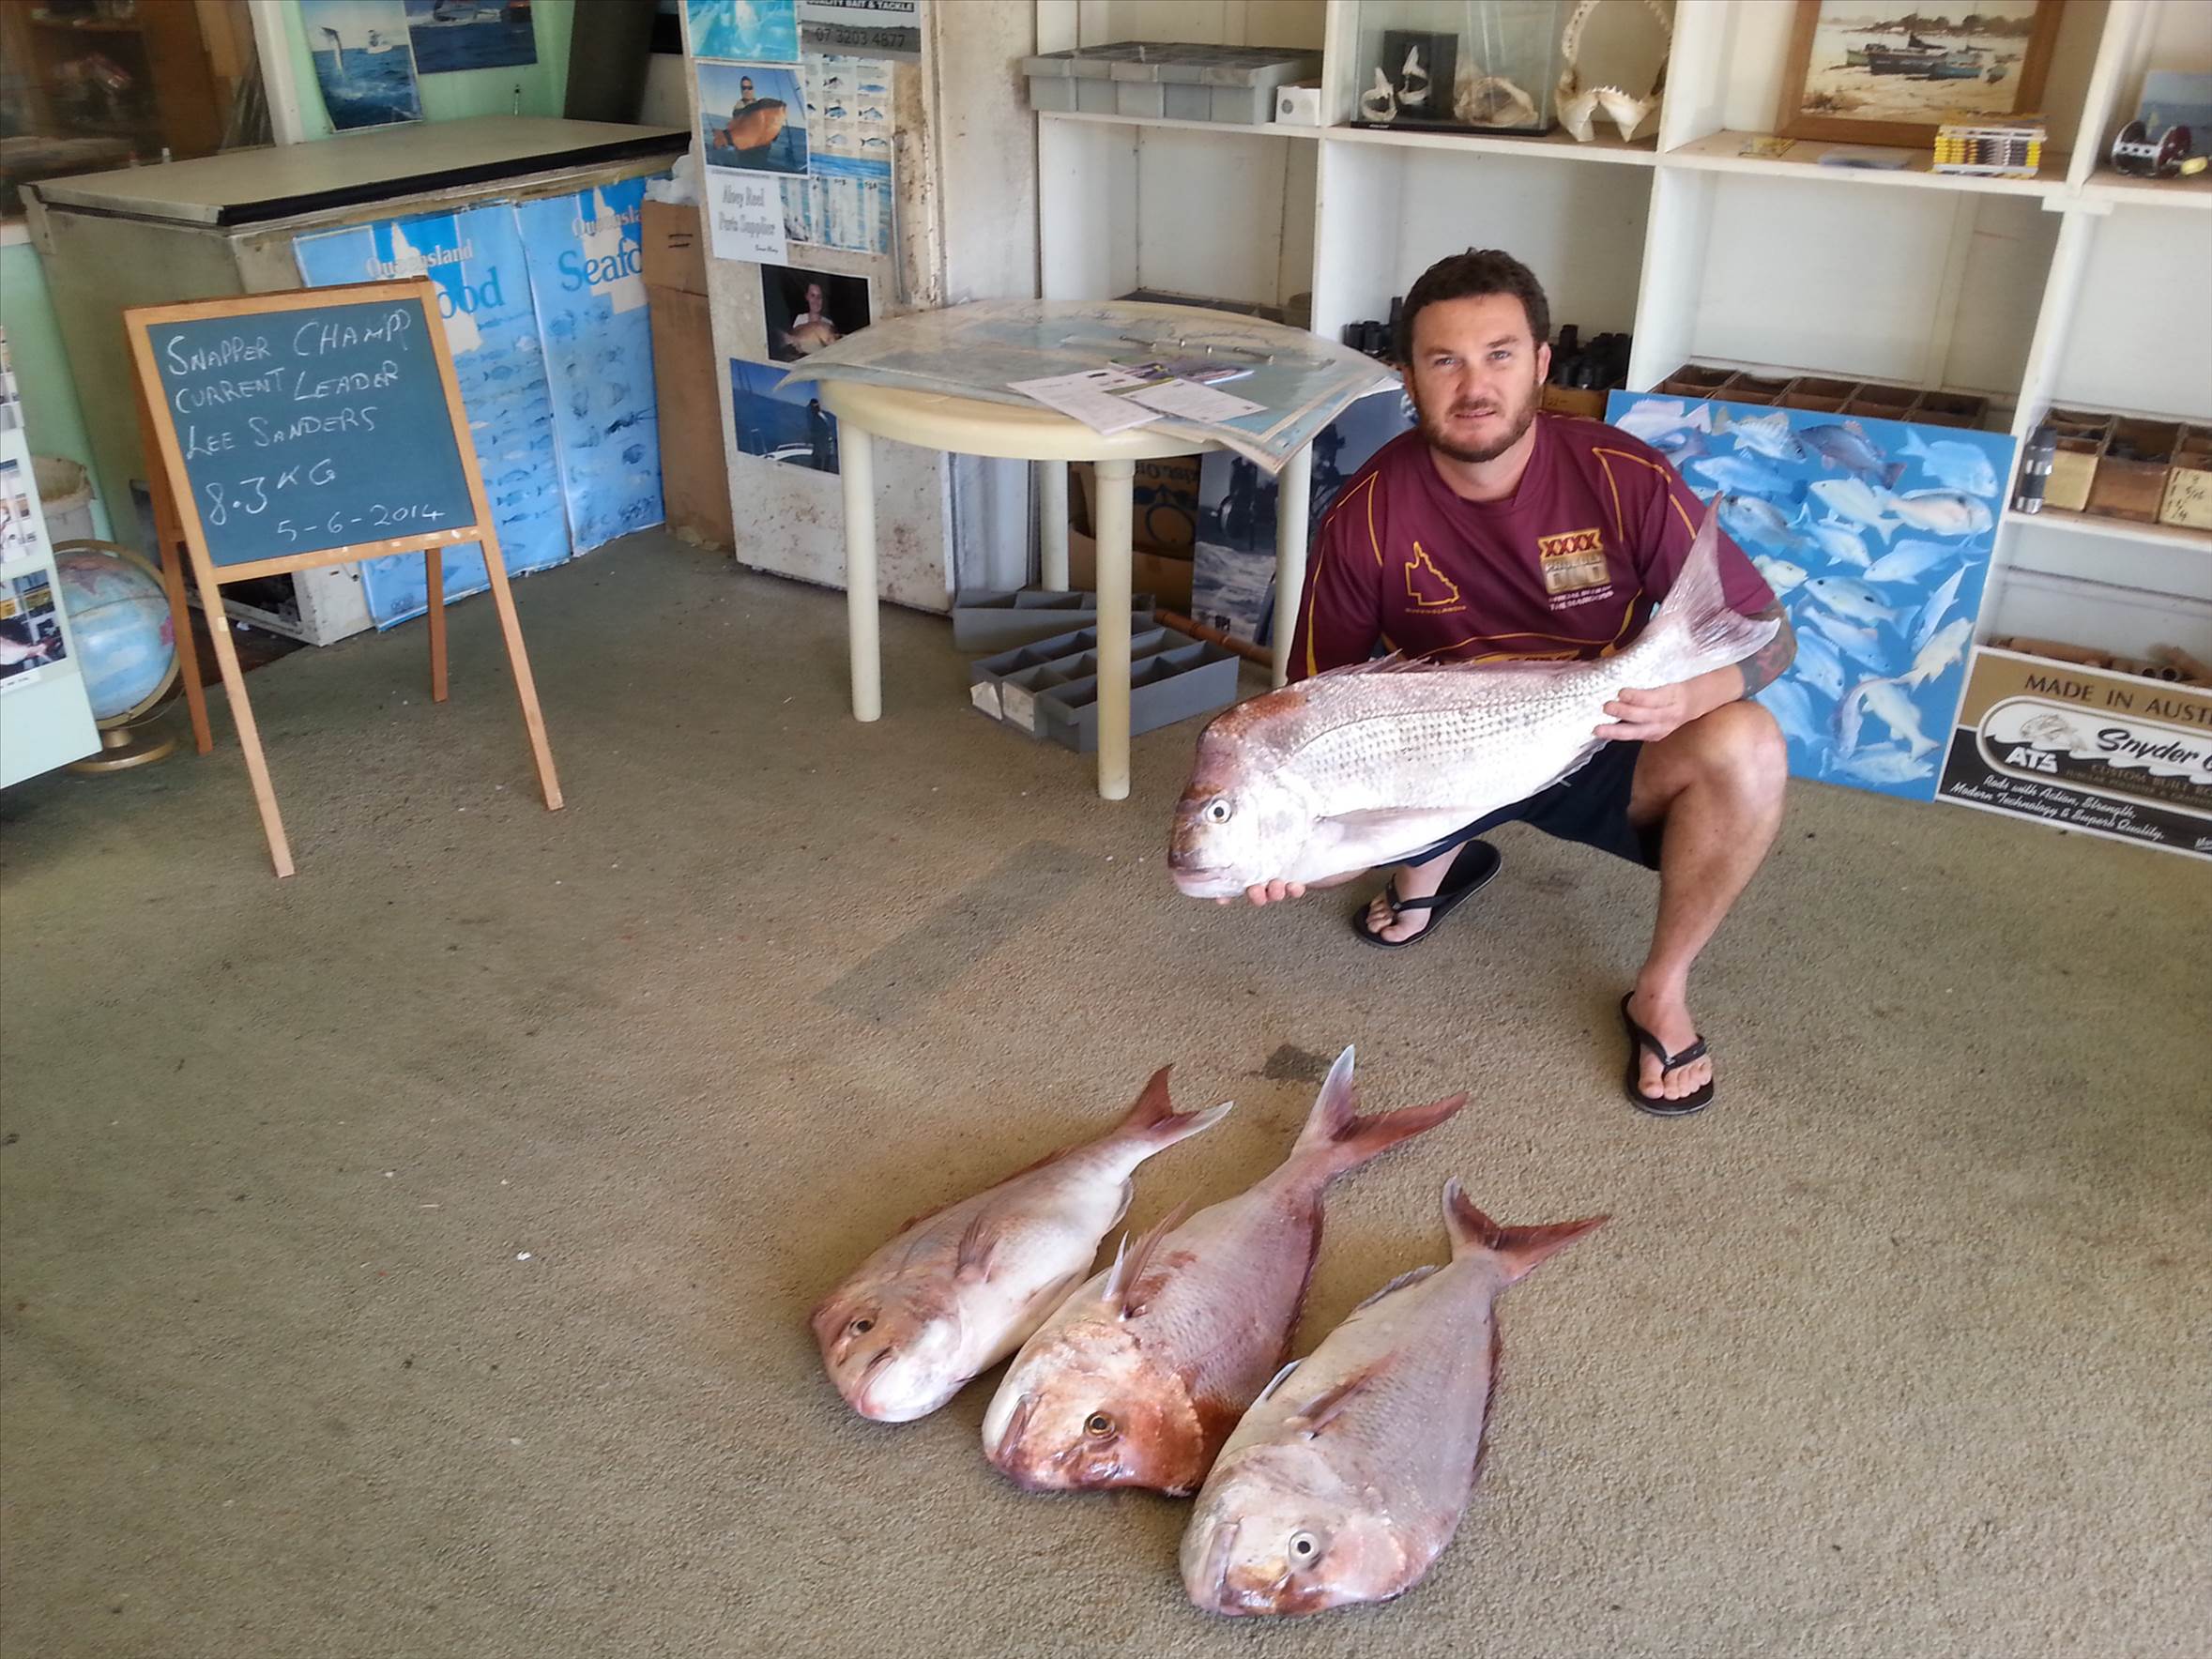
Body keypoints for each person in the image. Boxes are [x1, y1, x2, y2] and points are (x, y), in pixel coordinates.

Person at [1234, 249, 1796, 1118]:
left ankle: (1661, 989)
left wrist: (1691, 696)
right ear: (1407, 376)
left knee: (1748, 742)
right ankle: (1434, 865)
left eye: (1498, 354)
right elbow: (1313, 710)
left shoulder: (1623, 474)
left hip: (1601, 730)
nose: (1474, 386)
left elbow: (1771, 637)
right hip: (1442, 753)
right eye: (1444, 361)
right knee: (1350, 838)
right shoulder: (1364, 516)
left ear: (1539, 363)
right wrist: (1296, 840)